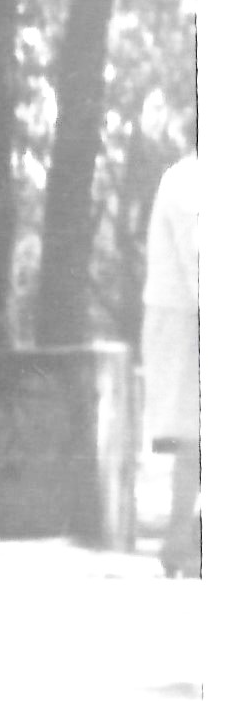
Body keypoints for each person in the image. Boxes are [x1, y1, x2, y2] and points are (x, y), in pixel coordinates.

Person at [143, 149, 200, 577]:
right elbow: (198, 258)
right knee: (192, 437)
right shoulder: (188, 180)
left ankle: (185, 540)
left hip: (191, 316)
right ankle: (181, 542)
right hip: (182, 319)